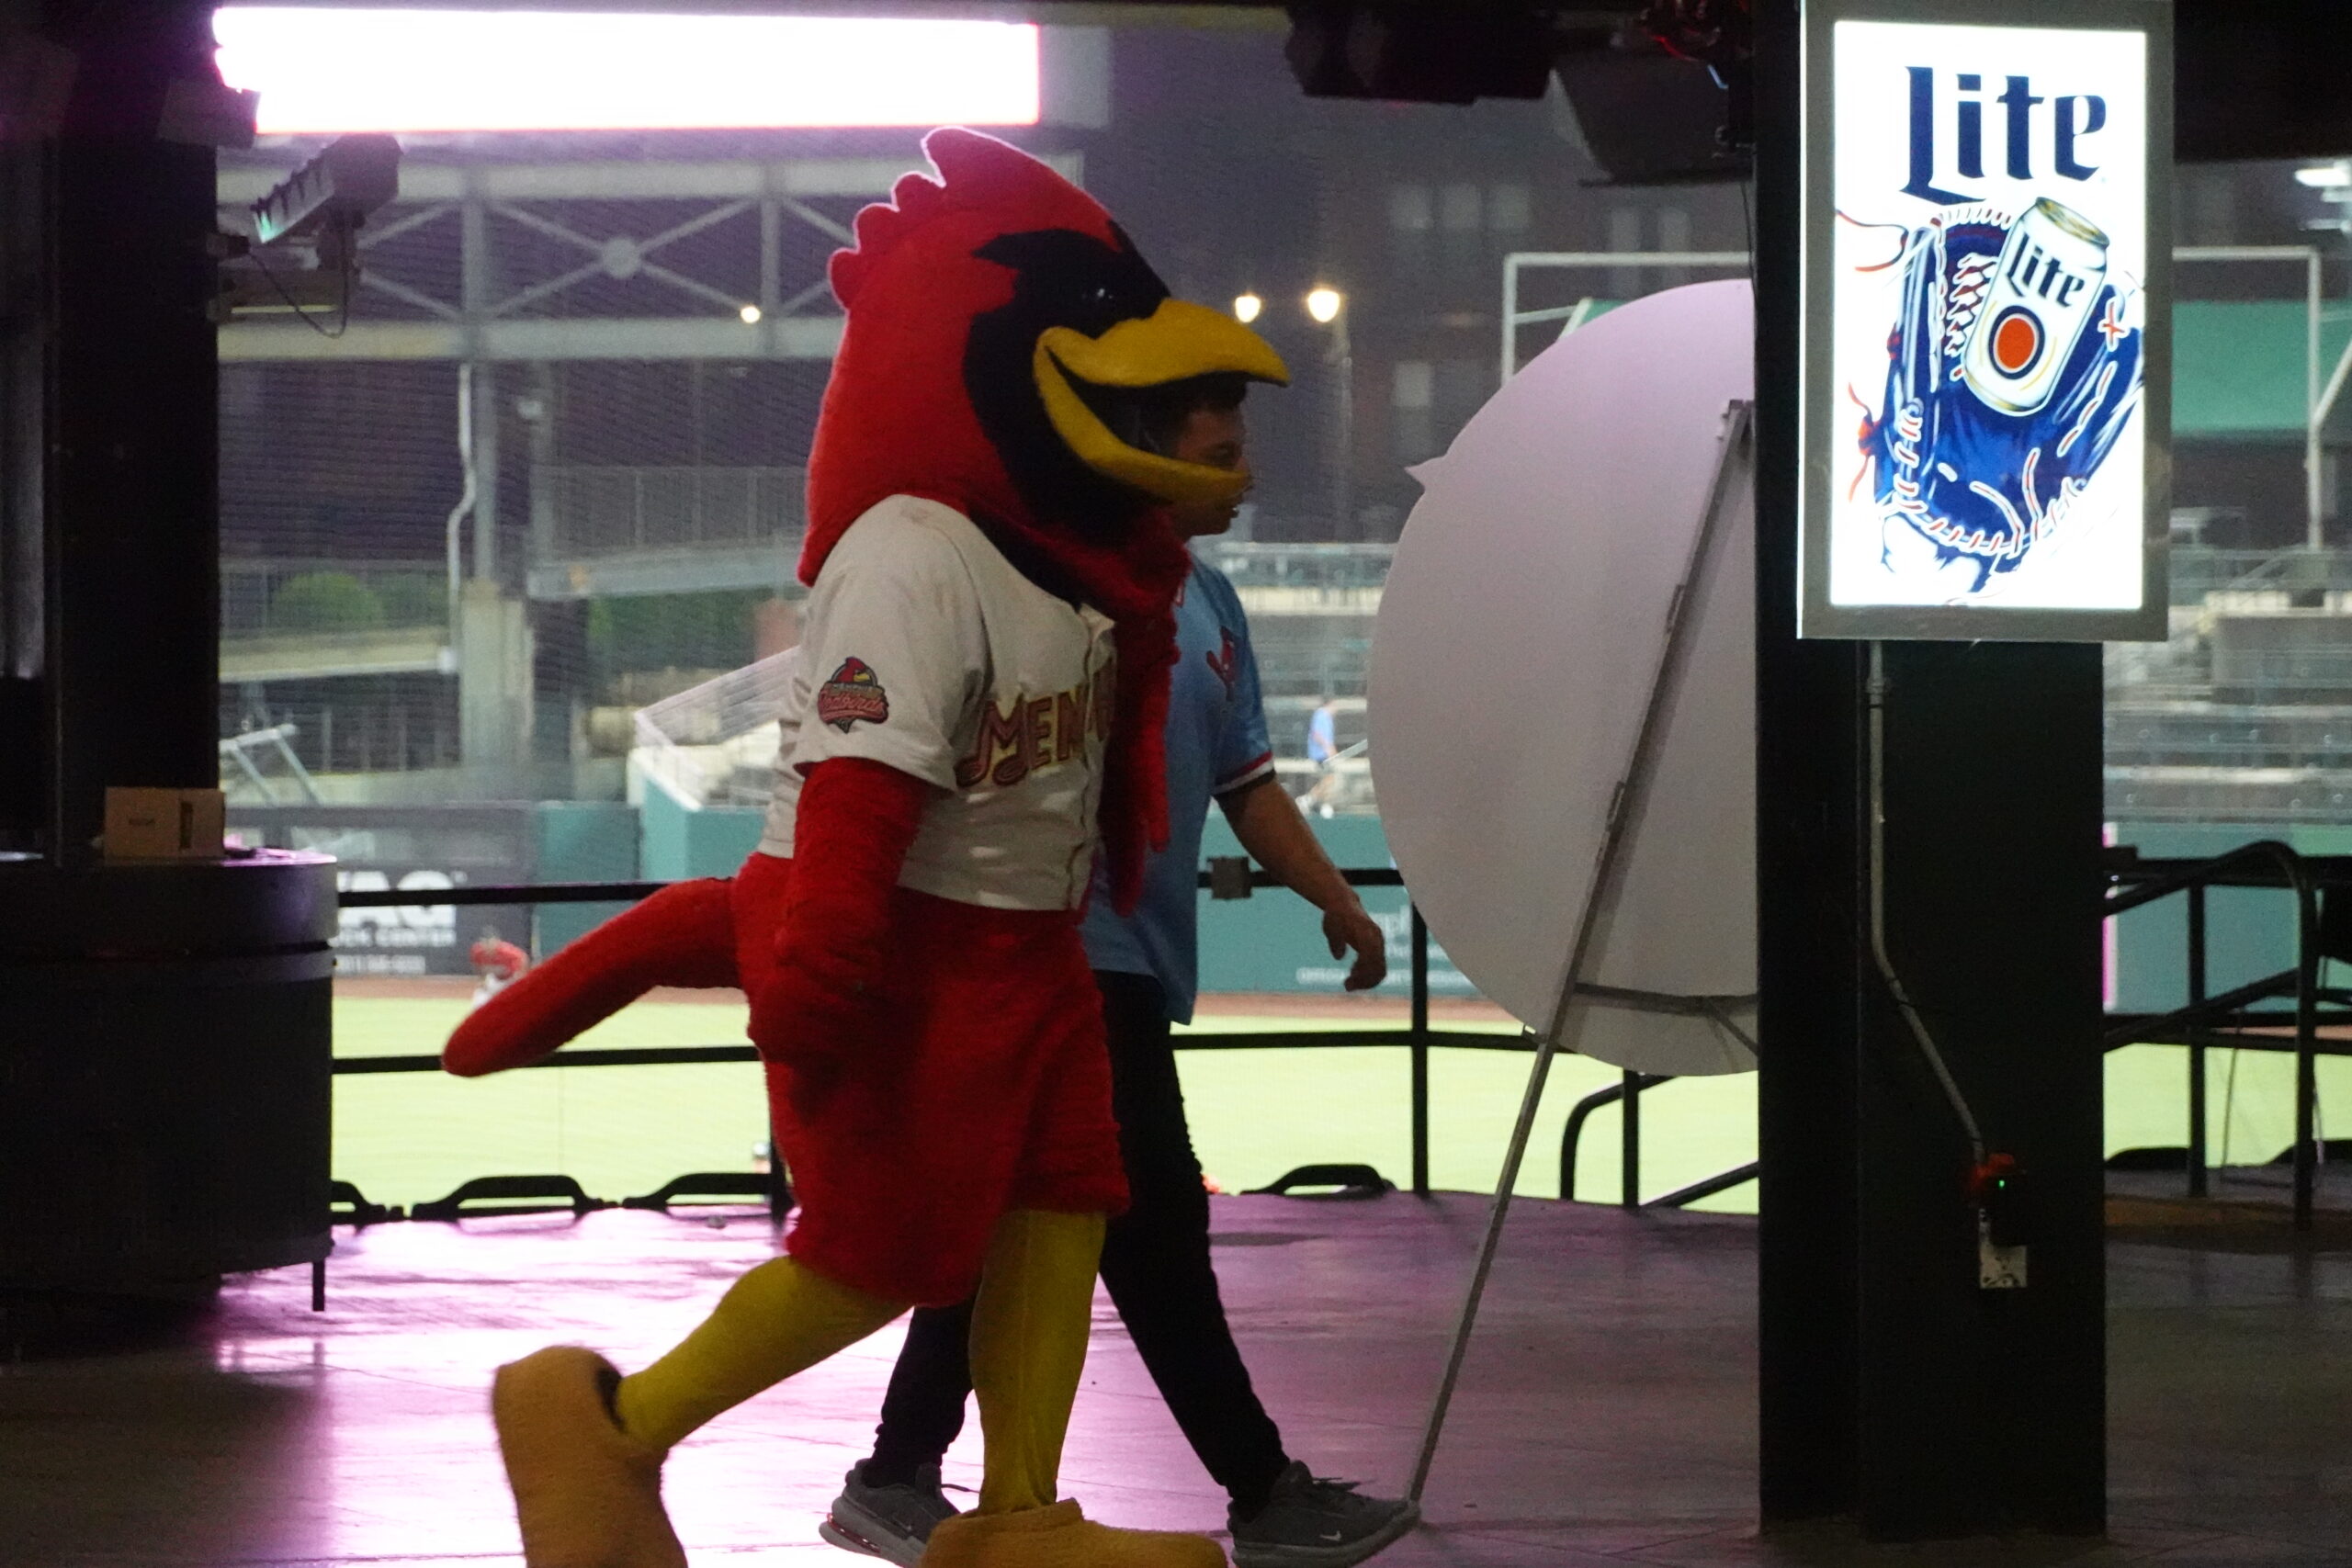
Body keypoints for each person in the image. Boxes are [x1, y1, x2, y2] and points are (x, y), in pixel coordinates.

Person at [437, 130, 1291, 1568]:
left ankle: (1019, 1515)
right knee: (884, 1249)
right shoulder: (914, 549)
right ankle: (611, 1425)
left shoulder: (1092, 571)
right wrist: (822, 971)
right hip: (901, 934)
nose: (1193, 428)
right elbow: (858, 788)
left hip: (1029, 947)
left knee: (1067, 1198)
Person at [824, 374, 1419, 1568]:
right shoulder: (1048, 579)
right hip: (1050, 956)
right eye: (1221, 449)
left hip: (1122, 967)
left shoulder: (1208, 599)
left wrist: (1337, 895)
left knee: (1010, 1222)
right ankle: (1260, 1489)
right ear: (1145, 451)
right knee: (1151, 1224)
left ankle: (894, 1473)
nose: (1247, 474)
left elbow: (1249, 784)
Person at [1299, 697, 1342, 818]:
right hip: (1320, 754)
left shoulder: (1327, 718)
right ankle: (1309, 800)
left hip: (1325, 754)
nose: (1336, 709)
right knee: (1328, 779)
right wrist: (1328, 749)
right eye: (1334, 706)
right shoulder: (1321, 715)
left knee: (1328, 779)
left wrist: (1332, 750)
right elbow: (1317, 734)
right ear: (1329, 704)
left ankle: (1320, 804)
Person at [469, 924, 530, 1009]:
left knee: (514, 1004)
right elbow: (477, 967)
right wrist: (482, 981)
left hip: (510, 980)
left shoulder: (507, 952)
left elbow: (523, 958)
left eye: (489, 942)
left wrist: (519, 979)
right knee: (479, 999)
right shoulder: (478, 952)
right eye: (484, 942)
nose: (487, 945)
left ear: (497, 942)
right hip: (494, 980)